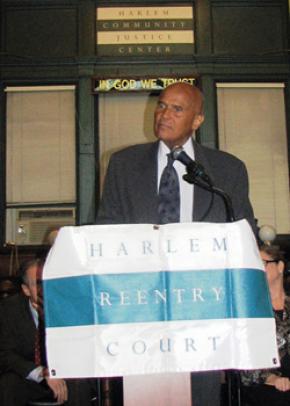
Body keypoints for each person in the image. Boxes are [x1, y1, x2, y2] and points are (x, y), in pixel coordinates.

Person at [97, 82, 257, 405]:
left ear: (197, 120)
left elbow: (245, 234)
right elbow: (106, 229)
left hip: (202, 307)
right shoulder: (123, 165)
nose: (164, 114)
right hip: (140, 307)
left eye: (177, 109)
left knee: (200, 395)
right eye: (161, 106)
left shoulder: (227, 170)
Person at [0, 258, 96, 406]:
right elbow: (6, 354)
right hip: (31, 376)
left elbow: (81, 348)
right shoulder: (8, 310)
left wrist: (57, 371)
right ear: (26, 289)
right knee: (8, 384)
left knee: (80, 383)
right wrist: (42, 373)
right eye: (39, 283)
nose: (46, 288)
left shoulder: (69, 305)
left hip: (66, 374)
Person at [241, 245, 290, 406]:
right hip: (266, 383)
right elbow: (245, 358)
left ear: (280, 266)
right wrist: (272, 378)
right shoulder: (251, 309)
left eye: (262, 263)